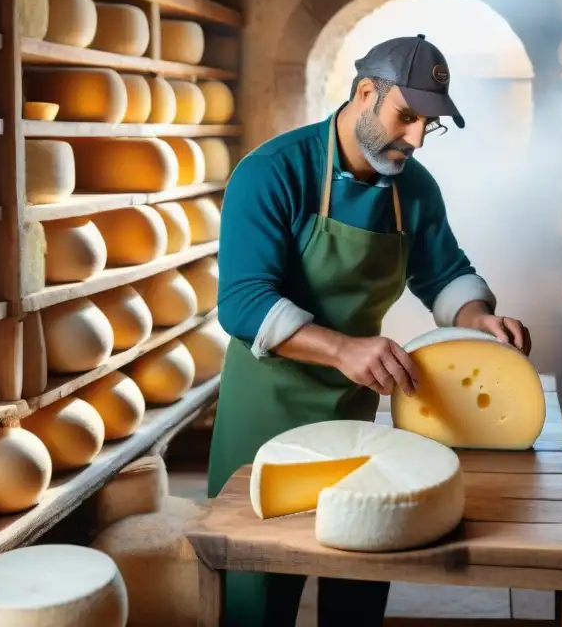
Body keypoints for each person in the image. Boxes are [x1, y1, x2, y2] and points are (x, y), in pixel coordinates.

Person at [208, 34, 533, 626]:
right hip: (265, 414)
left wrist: (479, 318)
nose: (413, 139)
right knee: (258, 594)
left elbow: (446, 274)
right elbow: (242, 301)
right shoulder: (272, 173)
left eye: (425, 125)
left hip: (353, 415)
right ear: (365, 93)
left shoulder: (413, 188)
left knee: (358, 577)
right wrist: (341, 348)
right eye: (405, 117)